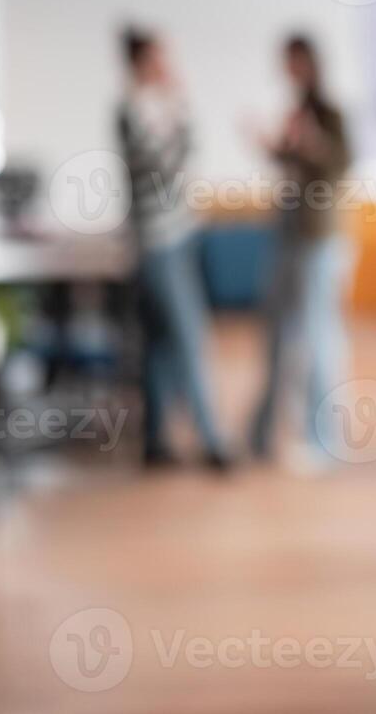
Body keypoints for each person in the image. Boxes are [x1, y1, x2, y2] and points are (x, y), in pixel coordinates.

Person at [116, 26, 231, 470]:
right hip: (158, 241)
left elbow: (187, 156)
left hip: (181, 233)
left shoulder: (158, 108)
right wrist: (179, 115)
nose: (169, 66)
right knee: (190, 336)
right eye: (160, 57)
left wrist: (178, 116)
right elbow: (165, 170)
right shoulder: (133, 111)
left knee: (163, 343)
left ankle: (156, 440)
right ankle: (212, 440)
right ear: (143, 62)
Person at [248, 34, 354, 468]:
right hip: (287, 232)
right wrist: (271, 145)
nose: (287, 69)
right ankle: (260, 434)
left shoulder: (330, 114)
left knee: (318, 336)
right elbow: (292, 164)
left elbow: (340, 165)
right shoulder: (296, 109)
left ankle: (323, 440)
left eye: (292, 61)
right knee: (276, 333)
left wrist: (311, 143)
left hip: (318, 238)